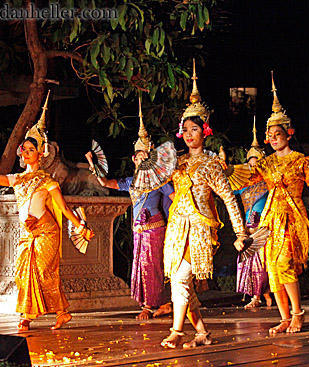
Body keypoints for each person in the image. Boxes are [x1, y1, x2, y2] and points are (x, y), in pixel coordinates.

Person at [0, 94, 94, 331]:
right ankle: (31, 315)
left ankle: (52, 313)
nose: (24, 153)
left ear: (40, 153)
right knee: (23, 275)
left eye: (30, 149)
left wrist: (79, 225)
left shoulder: (48, 181)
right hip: (27, 235)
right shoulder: (17, 178)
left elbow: (63, 208)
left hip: (46, 234)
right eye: (23, 149)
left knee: (44, 274)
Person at [159, 61, 247, 349]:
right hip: (176, 226)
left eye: (193, 129)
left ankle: (176, 331)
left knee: (182, 278)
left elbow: (228, 198)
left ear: (204, 131)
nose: (188, 133)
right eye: (184, 129)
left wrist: (240, 232)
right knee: (179, 280)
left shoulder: (211, 164)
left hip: (198, 228)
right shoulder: (178, 163)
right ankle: (202, 333)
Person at [242, 73, 309, 333]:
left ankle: (298, 313)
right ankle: (284, 317)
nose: (272, 138)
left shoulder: (301, 161)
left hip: (292, 219)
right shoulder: (267, 163)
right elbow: (245, 178)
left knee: (285, 264)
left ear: (289, 133)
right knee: (272, 268)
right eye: (269, 134)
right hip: (270, 220)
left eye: (277, 133)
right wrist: (223, 172)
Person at [86, 98, 174, 320]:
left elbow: (176, 199)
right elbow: (106, 183)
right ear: (134, 159)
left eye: (144, 156)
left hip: (155, 227)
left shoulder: (159, 180)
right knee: (142, 266)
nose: (140, 160)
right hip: (138, 230)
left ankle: (150, 305)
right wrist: (93, 166)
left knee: (152, 266)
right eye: (137, 156)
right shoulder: (131, 182)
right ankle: (160, 303)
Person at [232, 120, 273, 309]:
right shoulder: (243, 185)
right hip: (247, 229)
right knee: (249, 263)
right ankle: (257, 295)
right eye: (250, 164)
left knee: (262, 264)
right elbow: (227, 192)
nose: (253, 167)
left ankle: (263, 295)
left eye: (256, 163)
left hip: (264, 228)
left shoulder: (268, 183)